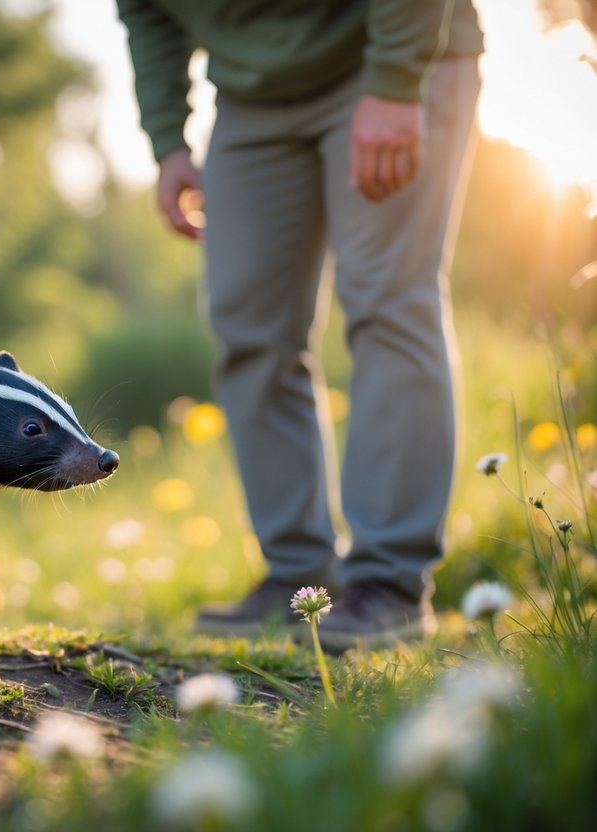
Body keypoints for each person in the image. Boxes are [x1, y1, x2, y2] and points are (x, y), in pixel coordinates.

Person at [115, 0, 483, 649]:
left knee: (387, 304)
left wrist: (396, 84)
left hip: (386, 50)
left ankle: (390, 583)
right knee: (248, 327)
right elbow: (146, 12)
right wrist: (168, 140)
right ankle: (300, 576)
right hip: (253, 95)